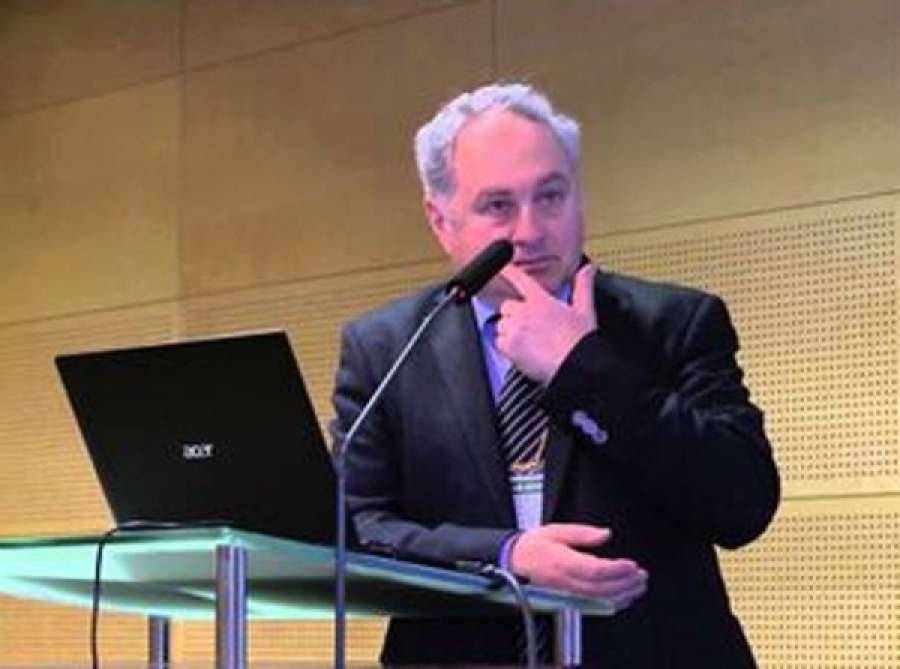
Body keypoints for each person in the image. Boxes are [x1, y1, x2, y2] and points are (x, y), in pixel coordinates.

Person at [330, 82, 780, 667]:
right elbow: (355, 526)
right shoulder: (386, 347)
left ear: (578, 196)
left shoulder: (674, 323)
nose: (530, 231)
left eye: (551, 196)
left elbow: (743, 503)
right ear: (440, 220)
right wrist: (506, 555)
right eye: (498, 206)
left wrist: (581, 368)